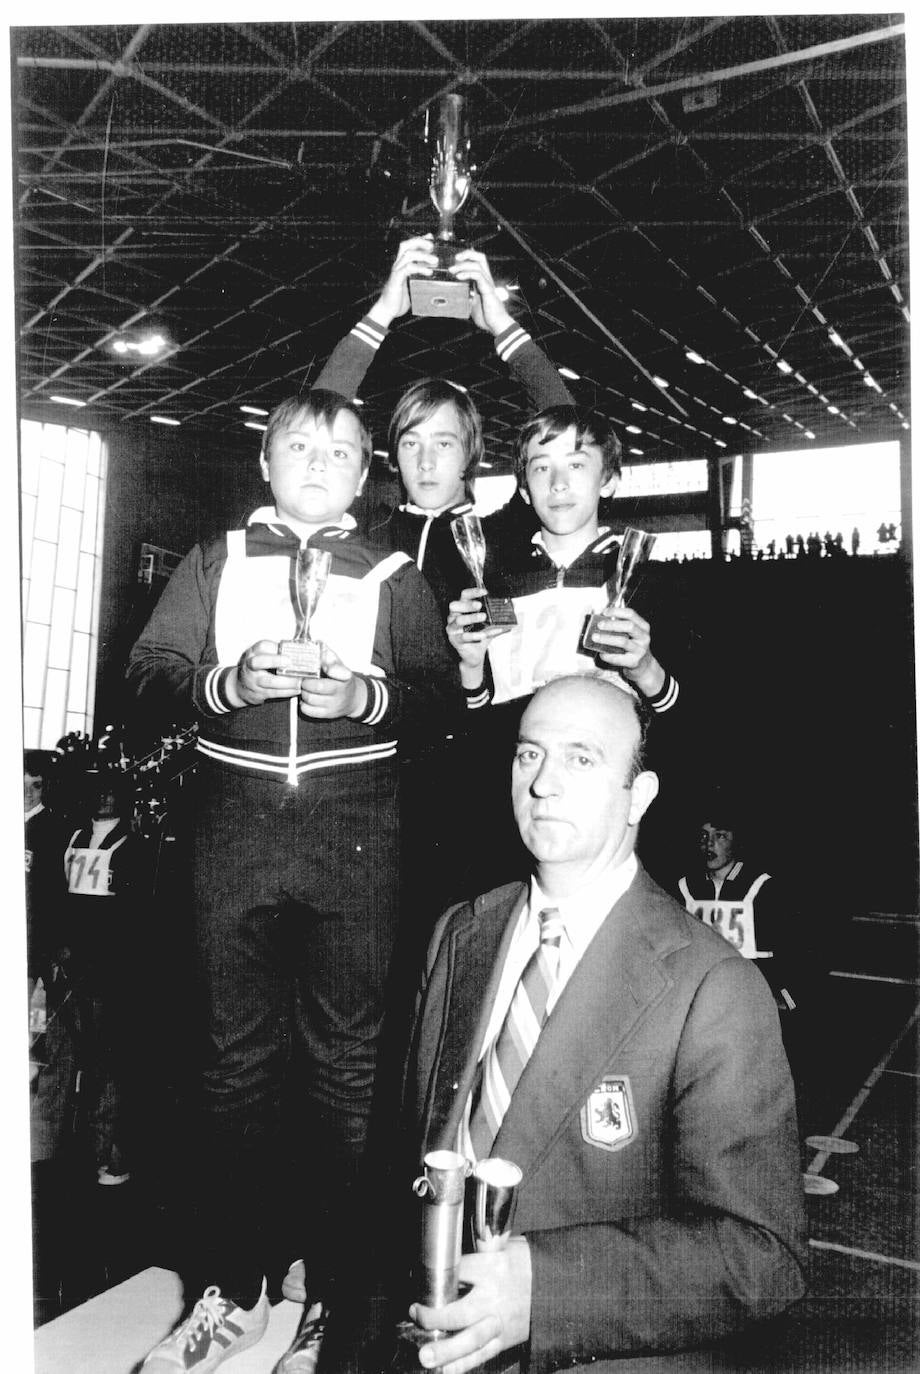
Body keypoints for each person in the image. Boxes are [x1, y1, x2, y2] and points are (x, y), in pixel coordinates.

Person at [127, 389, 461, 1373]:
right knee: (231, 1072)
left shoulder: (396, 574)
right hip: (231, 830)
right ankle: (233, 1284)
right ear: (266, 464)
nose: (318, 461)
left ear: (367, 476)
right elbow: (148, 673)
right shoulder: (213, 559)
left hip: (355, 833)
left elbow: (441, 701)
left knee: (348, 1080)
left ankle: (338, 1297)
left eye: (341, 450)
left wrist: (365, 694)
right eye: (298, 446)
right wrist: (226, 684)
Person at [390, 675, 807, 1372]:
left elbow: (762, 1253)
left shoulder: (713, 985)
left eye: (582, 758)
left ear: (638, 796)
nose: (544, 782)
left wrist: (547, 1289)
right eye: (529, 755)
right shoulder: (461, 933)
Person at [444, 404, 683, 890]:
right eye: (540, 468)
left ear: (609, 480)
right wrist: (470, 668)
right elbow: (478, 726)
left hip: (609, 812)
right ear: (525, 488)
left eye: (576, 465)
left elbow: (690, 720)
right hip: (522, 807)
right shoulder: (496, 581)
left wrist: (646, 670)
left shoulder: (652, 581)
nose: (558, 484)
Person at [314, 237, 573, 615]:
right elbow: (316, 422)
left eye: (445, 444)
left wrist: (501, 323)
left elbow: (565, 427)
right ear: (394, 457)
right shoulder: (367, 532)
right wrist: (383, 312)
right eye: (410, 443)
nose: (426, 461)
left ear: (471, 455)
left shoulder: (503, 534)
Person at [63, 769, 150, 1185]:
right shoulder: (75, 839)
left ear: (123, 797)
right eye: (96, 789)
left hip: (112, 972)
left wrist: (110, 963)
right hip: (73, 966)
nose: (103, 796)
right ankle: (77, 1147)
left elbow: (134, 917)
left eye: (111, 790)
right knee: (80, 1059)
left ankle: (115, 1153)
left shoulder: (134, 846)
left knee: (112, 1060)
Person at [676, 804, 800, 1016]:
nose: (710, 843)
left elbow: (794, 949)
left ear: (736, 841)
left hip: (751, 1000)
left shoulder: (762, 886)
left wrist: (785, 998)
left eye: (720, 836)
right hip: (705, 1000)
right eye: (704, 836)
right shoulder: (685, 888)